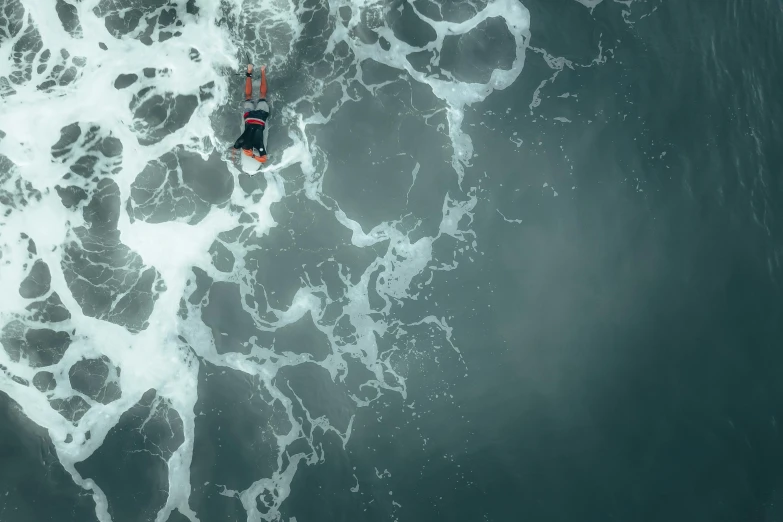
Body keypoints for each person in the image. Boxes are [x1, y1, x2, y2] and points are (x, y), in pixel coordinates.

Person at [233, 63, 269, 163]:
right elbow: (235, 149)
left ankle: (262, 70)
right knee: (248, 96)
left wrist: (253, 156)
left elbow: (263, 159)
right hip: (249, 117)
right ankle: (249, 70)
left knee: (262, 96)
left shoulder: (258, 144)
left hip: (261, 117)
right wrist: (233, 158)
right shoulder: (241, 141)